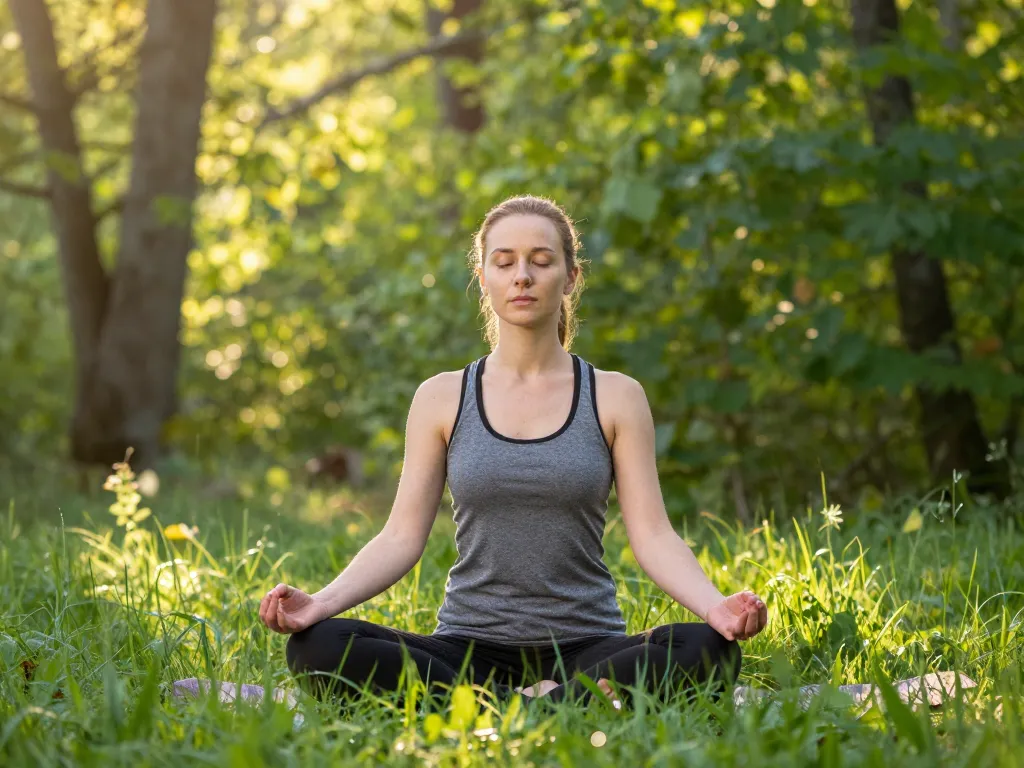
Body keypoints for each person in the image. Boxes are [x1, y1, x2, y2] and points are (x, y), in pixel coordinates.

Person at [258, 195, 768, 709]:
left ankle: (490, 706)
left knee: (708, 649)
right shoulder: (441, 397)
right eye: (504, 263)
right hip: (465, 647)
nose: (522, 276)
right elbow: (400, 538)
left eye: (541, 261)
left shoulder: (616, 396)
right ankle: (553, 705)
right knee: (318, 645)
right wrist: (319, 603)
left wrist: (715, 608)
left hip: (588, 647)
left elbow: (653, 536)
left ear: (570, 277)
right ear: (483, 278)